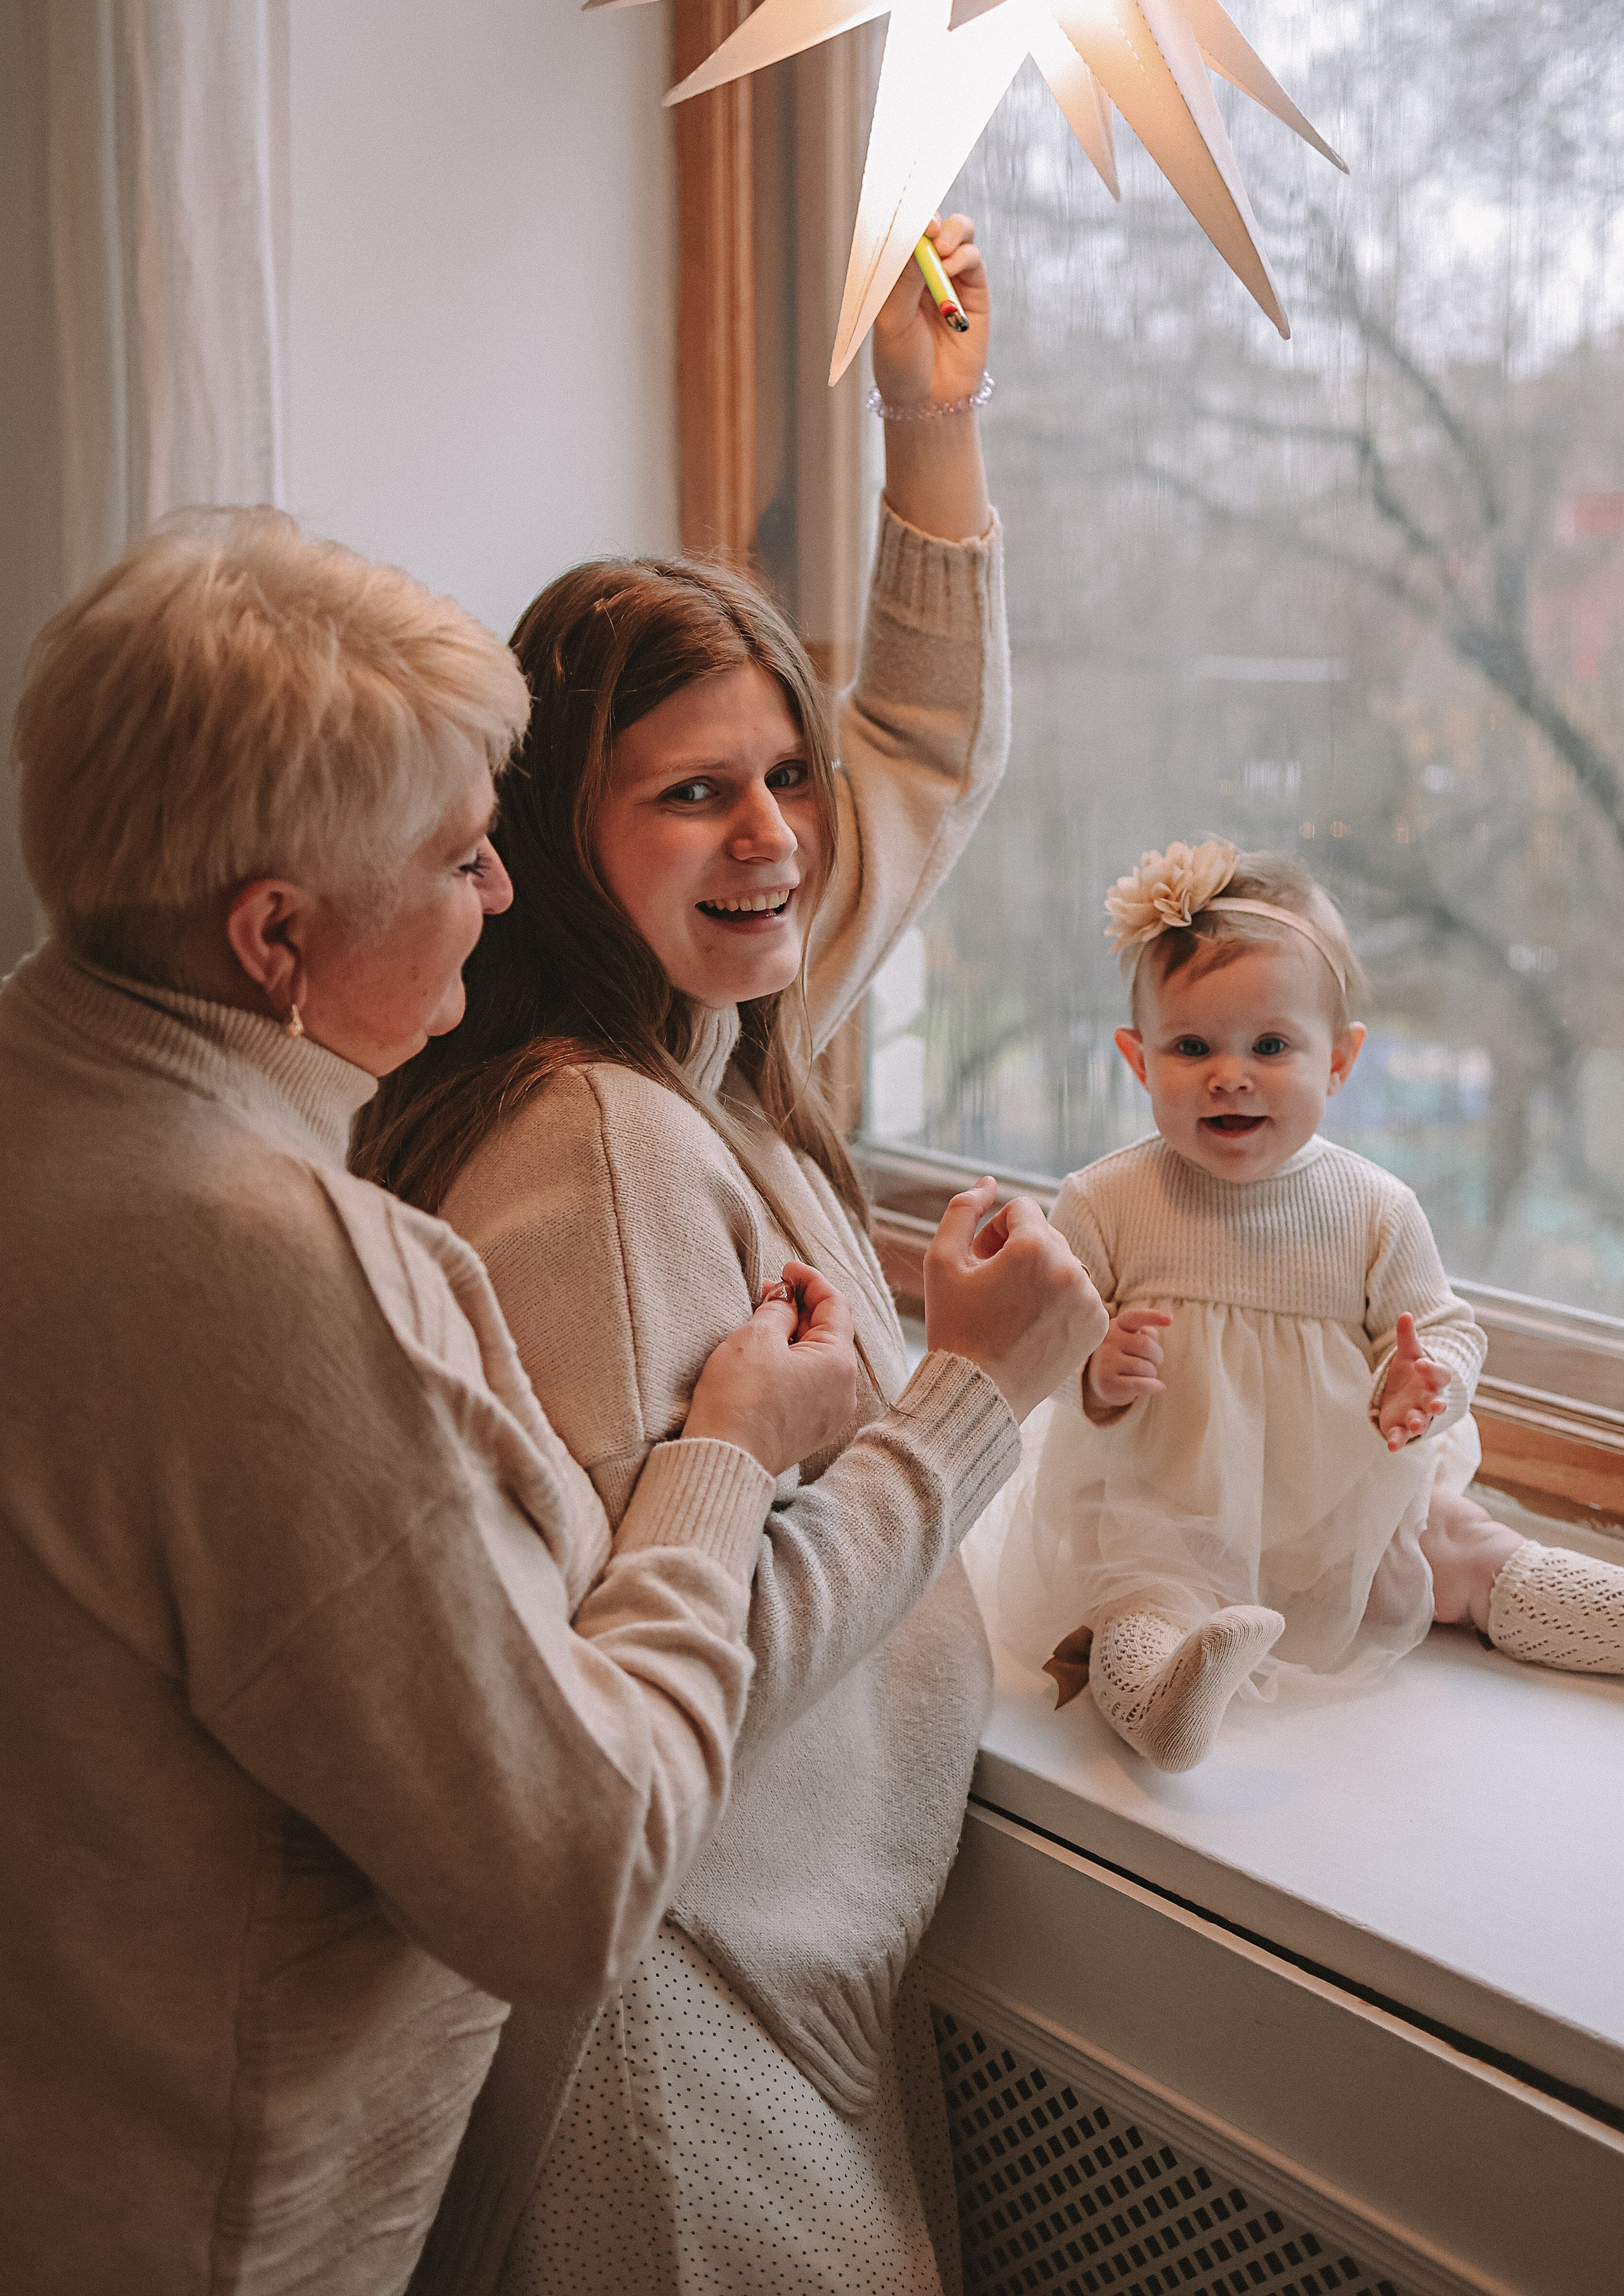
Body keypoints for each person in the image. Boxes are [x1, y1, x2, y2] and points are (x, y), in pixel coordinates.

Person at [355, 218, 1105, 2296]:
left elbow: (926, 759)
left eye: (785, 776)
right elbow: (634, 1724)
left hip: (783, 1999)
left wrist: (928, 423)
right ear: (542, 845)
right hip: (666, 2048)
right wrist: (970, 1396)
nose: (775, 834)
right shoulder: (595, 1149)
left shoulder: (707, 1041)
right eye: (695, 794)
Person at [0, 509, 865, 2296]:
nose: (498, 895)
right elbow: (568, 1880)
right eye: (465, 858)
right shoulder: (267, 1270)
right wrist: (723, 1461)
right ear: (276, 938)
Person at [998, 838, 1624, 1777]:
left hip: (1348, 1505)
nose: (1230, 1074)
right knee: (1140, 1600)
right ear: (1138, 1058)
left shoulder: (1374, 1206)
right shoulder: (1106, 1201)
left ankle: (1602, 1615)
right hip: (1174, 1509)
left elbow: (1444, 1327)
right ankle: (1164, 1698)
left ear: (1340, 1059)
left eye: (1272, 1046)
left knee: (1462, 1547)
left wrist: (1427, 1380)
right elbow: (1042, 1349)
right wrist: (1096, 1370)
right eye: (1192, 1047)